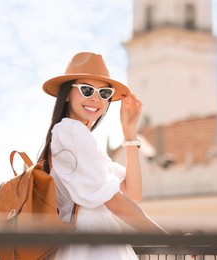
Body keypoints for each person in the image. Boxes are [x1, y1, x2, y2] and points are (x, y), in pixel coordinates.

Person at [38, 52, 168, 259]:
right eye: (87, 90)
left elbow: (132, 193)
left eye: (105, 93)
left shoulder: (85, 141)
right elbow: (116, 203)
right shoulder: (69, 132)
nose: (96, 99)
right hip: (88, 247)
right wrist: (168, 241)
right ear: (68, 93)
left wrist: (129, 133)